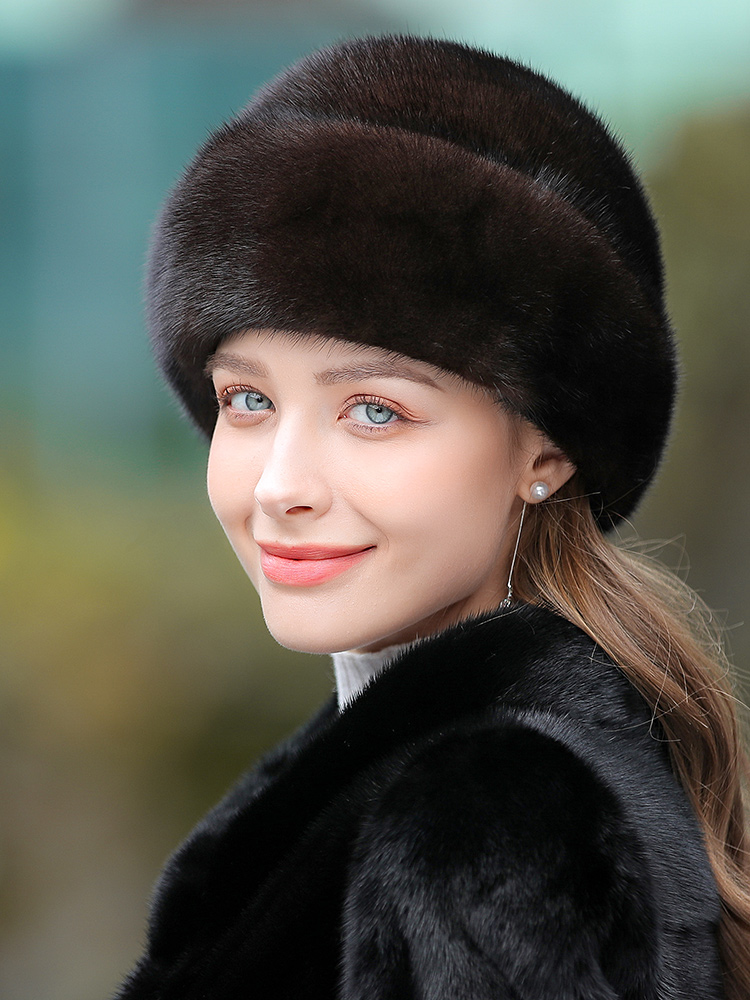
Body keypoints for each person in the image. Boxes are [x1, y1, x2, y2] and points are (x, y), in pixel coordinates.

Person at [114, 34, 750, 999]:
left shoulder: (488, 821)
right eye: (248, 400)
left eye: (374, 410)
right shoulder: (464, 779)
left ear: (546, 452)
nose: (280, 484)